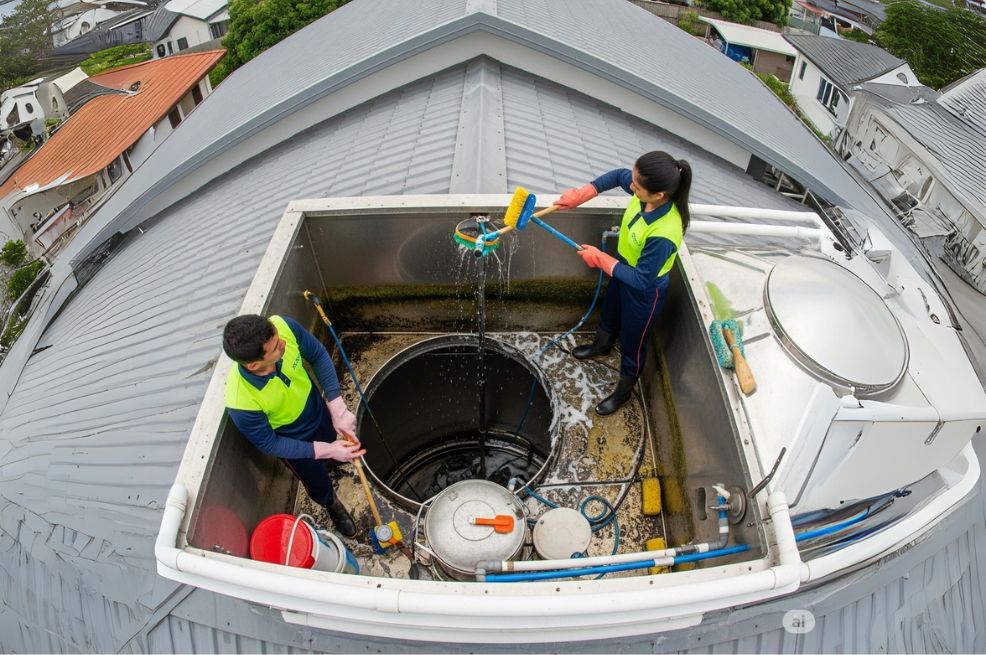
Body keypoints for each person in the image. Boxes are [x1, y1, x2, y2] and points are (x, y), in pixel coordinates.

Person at [554, 151, 692, 415]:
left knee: (633, 345)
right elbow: (618, 176)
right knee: (610, 312)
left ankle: (623, 394)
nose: (631, 186)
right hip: (622, 270)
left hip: (644, 293)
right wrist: (583, 194)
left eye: (637, 186)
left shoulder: (665, 232)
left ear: (659, 195)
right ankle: (601, 348)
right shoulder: (646, 194)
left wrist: (601, 259)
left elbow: (642, 280)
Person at [222, 314, 365, 537]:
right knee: (316, 480)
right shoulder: (241, 401)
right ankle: (331, 504)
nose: (283, 344)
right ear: (254, 364)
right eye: (276, 347)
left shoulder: (282, 326)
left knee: (330, 438)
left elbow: (317, 354)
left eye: (278, 338)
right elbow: (271, 444)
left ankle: (331, 459)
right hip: (294, 440)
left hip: (317, 409)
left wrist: (337, 407)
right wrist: (325, 450)